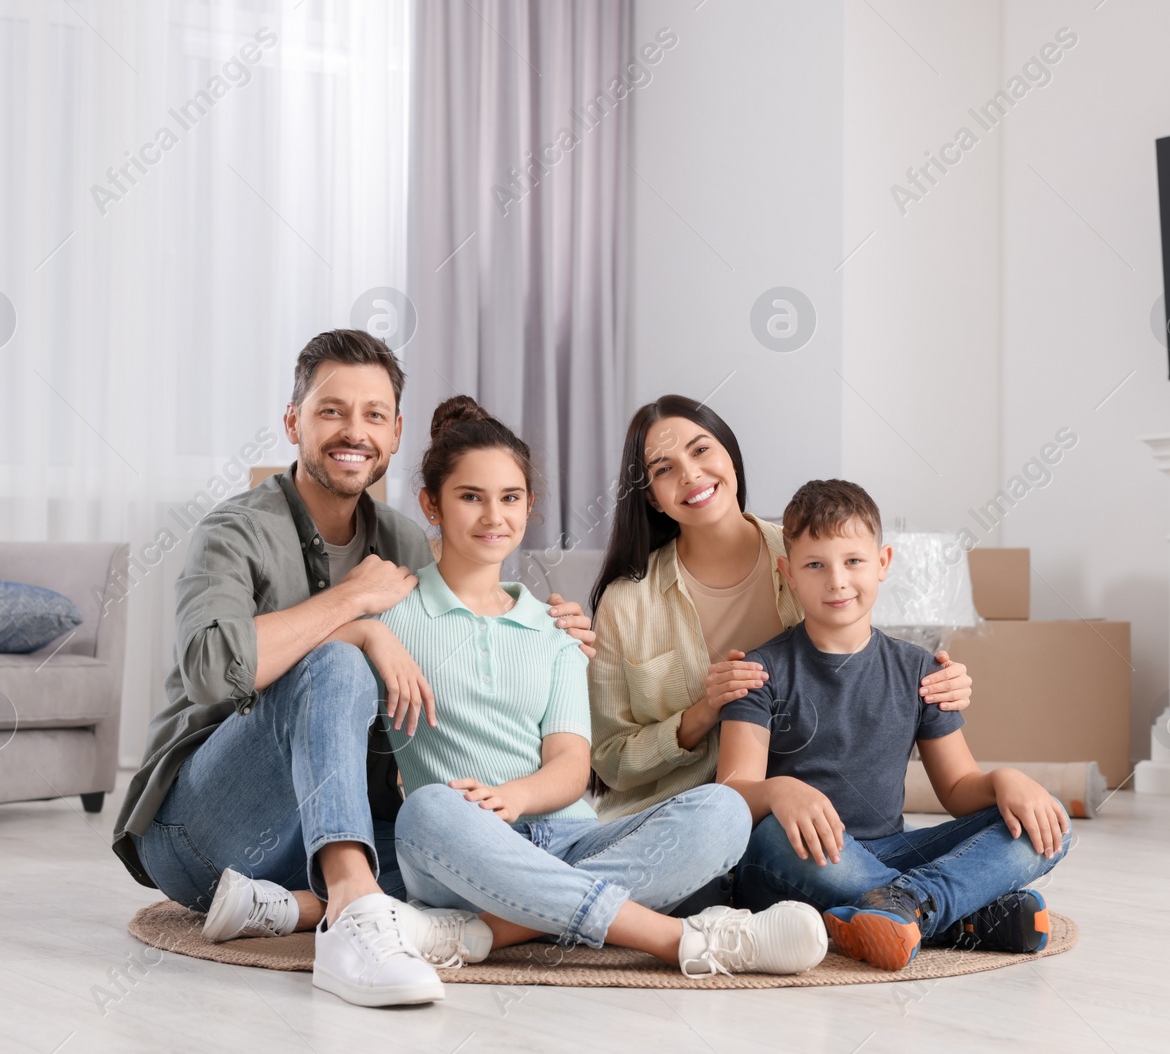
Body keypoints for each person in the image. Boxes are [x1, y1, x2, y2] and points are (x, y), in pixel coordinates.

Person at [109, 331, 597, 1008]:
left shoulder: (400, 537)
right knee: (336, 663)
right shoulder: (233, 531)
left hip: (308, 839)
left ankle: (294, 906)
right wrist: (356, 613)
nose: (353, 431)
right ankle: (354, 917)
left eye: (373, 415)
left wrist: (553, 625)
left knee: (450, 836)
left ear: (395, 433)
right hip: (200, 830)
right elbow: (212, 669)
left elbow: (468, 615)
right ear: (293, 422)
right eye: (331, 410)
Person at [329, 396, 829, 978]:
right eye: (471, 498)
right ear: (430, 506)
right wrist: (368, 631)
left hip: (571, 839)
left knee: (722, 810)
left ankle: (483, 934)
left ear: (529, 506)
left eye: (510, 498)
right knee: (426, 811)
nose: (494, 517)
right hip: (466, 852)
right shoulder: (397, 608)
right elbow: (313, 669)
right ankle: (681, 940)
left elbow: (573, 766)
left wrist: (517, 796)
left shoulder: (555, 627)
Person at [716, 479, 1070, 971]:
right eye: (815, 565)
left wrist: (1004, 780)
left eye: (853, 561)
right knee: (776, 835)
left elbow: (959, 788)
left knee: (1046, 820)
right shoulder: (761, 671)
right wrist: (778, 791)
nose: (837, 580)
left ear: (883, 563)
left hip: (892, 851)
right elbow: (732, 790)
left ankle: (908, 905)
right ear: (789, 574)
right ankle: (955, 915)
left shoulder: (919, 669)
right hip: (797, 855)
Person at [587, 395, 973, 827]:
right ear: (653, 498)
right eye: (663, 469)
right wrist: (701, 713)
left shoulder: (809, 552)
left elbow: (856, 658)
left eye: (700, 450)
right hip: (676, 820)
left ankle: (909, 890)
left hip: (799, 820)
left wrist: (938, 685)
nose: (690, 474)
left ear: (731, 457)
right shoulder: (625, 604)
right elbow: (609, 760)